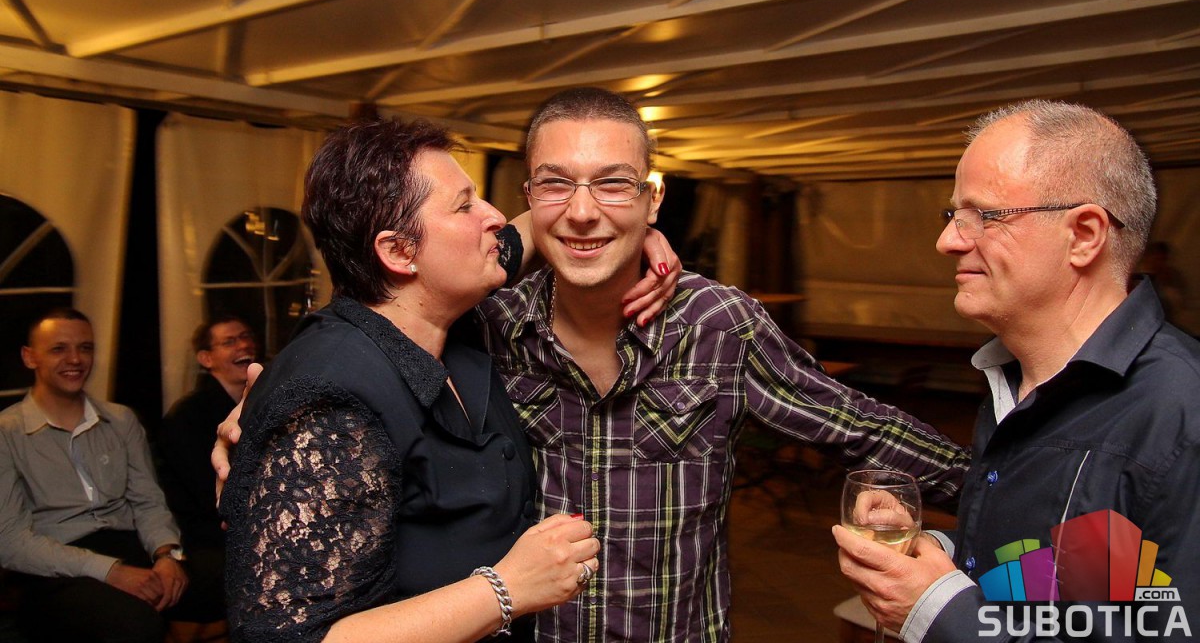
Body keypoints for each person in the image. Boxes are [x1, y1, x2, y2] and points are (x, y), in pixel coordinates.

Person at [216, 87, 968, 643]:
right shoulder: (490, 323)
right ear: (530, 199)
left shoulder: (716, 324)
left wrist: (1003, 487)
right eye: (554, 184)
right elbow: (370, 327)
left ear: (652, 198)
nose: (581, 210)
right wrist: (266, 421)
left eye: (614, 183)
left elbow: (862, 426)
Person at [219, 119, 602, 643]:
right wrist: (507, 589)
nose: (494, 216)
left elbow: (529, 230)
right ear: (399, 252)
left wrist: (631, 236)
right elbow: (289, 637)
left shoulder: (441, 313)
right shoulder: (330, 402)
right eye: (464, 206)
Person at [833, 100, 1200, 641]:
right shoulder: (1017, 381)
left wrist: (937, 610)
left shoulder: (1182, 412)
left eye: (984, 215)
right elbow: (1080, 582)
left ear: (1084, 235)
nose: (948, 241)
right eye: (952, 216)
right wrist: (935, 555)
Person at [0, 307, 188, 643]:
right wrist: (110, 571)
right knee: (135, 623)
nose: (75, 359)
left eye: (85, 348)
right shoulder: (6, 432)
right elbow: (12, 543)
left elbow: (148, 501)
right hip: (55, 568)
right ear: (30, 357)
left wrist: (166, 555)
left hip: (133, 548)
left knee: (236, 576)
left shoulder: (121, 419)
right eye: (59, 349)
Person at [157, 315, 257, 625]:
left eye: (246, 336)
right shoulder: (187, 415)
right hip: (207, 536)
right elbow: (204, 495)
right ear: (206, 359)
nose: (243, 345)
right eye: (229, 342)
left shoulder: (262, 404)